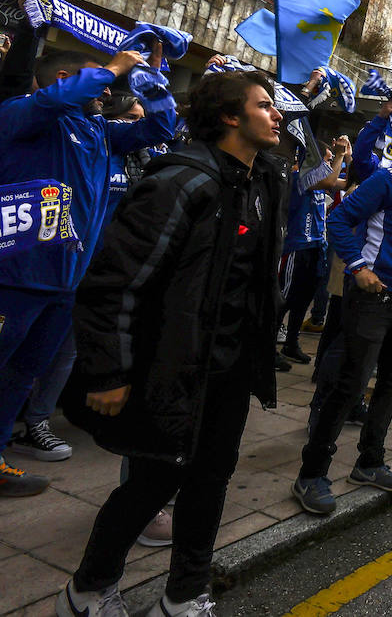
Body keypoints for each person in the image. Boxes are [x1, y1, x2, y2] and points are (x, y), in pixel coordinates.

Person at [57, 69, 286, 617]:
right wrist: (110, 371)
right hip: (172, 368)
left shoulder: (262, 181)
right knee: (151, 484)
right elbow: (115, 282)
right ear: (231, 117)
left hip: (226, 371)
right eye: (263, 105)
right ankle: (87, 592)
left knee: (209, 483)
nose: (276, 114)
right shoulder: (183, 181)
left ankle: (184, 594)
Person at [0, 46, 176, 497]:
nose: (109, 89)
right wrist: (114, 66)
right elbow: (53, 101)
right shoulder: (26, 115)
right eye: (99, 80)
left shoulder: (97, 130)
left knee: (23, 373)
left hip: (66, 282)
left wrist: (152, 81)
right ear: (65, 77)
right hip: (15, 278)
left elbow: (159, 127)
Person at [293, 125, 392, 516]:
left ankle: (369, 463)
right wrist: (358, 266)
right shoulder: (390, 179)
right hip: (372, 299)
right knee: (350, 386)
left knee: (391, 385)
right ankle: (311, 474)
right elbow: (338, 221)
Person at [278, 136, 348, 366]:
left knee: (302, 300)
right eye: (325, 161)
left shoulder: (321, 177)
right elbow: (329, 182)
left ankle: (291, 343)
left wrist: (348, 156)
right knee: (284, 299)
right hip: (297, 247)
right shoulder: (301, 177)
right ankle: (267, 346)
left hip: (316, 246)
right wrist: (338, 156)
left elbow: (345, 182)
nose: (330, 166)